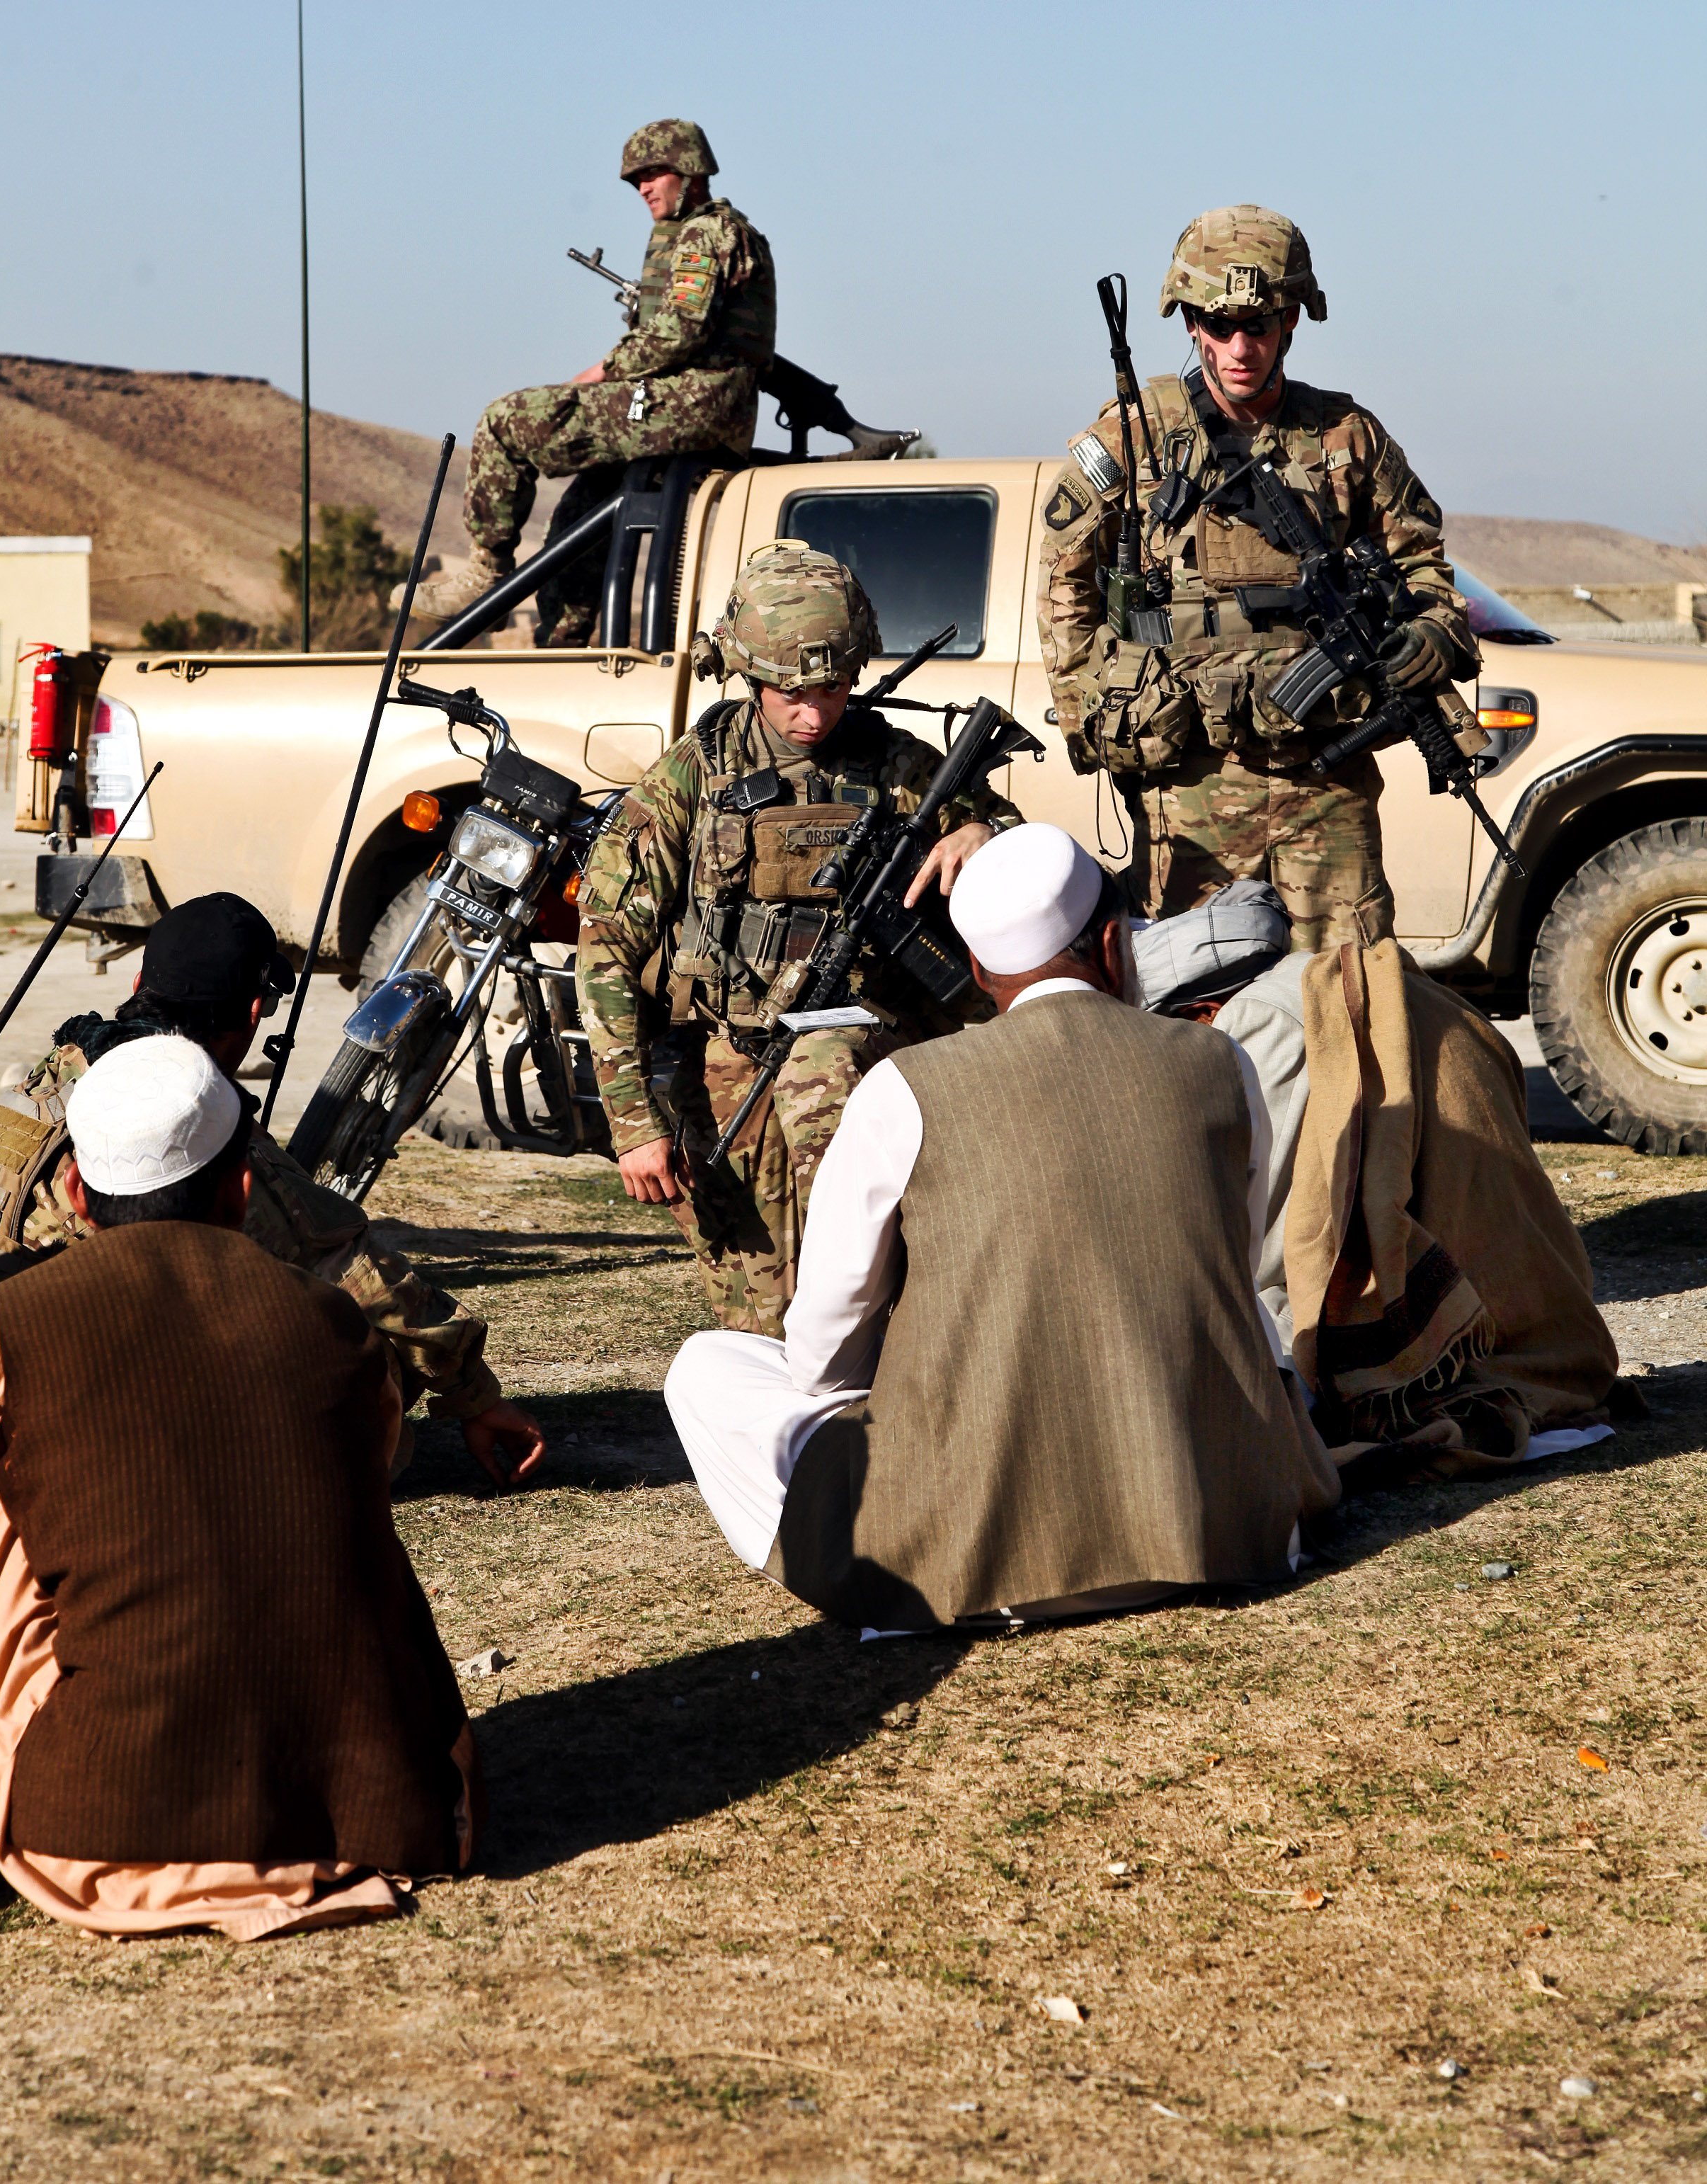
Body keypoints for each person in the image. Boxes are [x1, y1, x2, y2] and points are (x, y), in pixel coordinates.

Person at [0, 1039, 476, 1931]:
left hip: (104, 1824)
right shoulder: (334, 1321)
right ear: (244, 1190)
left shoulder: (4, 1331)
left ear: (74, 1195)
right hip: (385, 1806)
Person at [663, 824, 1340, 1628]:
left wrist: (876, 1401)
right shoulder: (1218, 1061)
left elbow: (829, 1330)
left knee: (708, 1365)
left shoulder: (905, 1086)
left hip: (983, 1564)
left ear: (980, 971)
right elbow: (1237, 1249)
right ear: (1116, 945)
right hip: (1218, 1523)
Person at [0, 892, 542, 1488]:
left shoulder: (49, 1082)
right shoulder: (191, 1121)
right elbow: (357, 1274)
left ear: (137, 984)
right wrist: (474, 1396)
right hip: (105, 1433)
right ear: (252, 1013)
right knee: (355, 1349)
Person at [576, 540, 1019, 1335]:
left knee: (863, 1277)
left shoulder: (896, 764)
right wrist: (633, 1124)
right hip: (731, 1058)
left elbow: (1021, 859)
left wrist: (983, 832)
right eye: (789, 693)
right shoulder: (691, 776)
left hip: (868, 1047)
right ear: (747, 675)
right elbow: (605, 945)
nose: (814, 713)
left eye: (833, 688)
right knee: (761, 1314)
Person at [1034, 204, 1483, 950]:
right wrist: (1106, 709)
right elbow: (1063, 592)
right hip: (1188, 785)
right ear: (1188, 324)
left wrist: (1431, 635)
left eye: (1260, 324)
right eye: (1218, 325)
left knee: (1350, 994)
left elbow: (1424, 573)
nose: (1239, 347)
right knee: (1189, 1006)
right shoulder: (1132, 434)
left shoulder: (1347, 436)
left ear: (1291, 322)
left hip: (1324, 779)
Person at [1134, 885, 1621, 1474]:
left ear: (1198, 1014)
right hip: (1538, 1313)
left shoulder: (1258, 1020)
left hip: (1446, 1340)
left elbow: (1261, 1245)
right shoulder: (1372, 982)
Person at [425, 119, 776, 640]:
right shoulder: (710, 233)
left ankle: (487, 571)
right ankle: (562, 639)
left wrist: (603, 372)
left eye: (654, 173)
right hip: (696, 407)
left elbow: (679, 330)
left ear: (690, 170)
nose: (643, 187)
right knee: (576, 522)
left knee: (506, 421)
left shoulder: (706, 232)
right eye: (637, 179)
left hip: (693, 406)